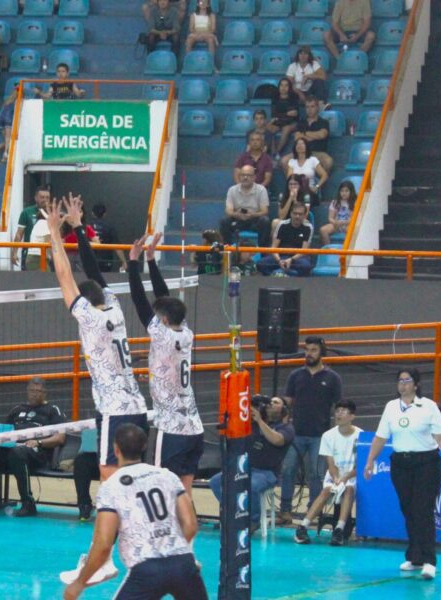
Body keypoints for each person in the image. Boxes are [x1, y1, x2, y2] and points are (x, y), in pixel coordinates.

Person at [47, 194, 149, 483]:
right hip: (137, 407)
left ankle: (112, 526)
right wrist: (78, 228)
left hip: (115, 409)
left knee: (110, 475)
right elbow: (93, 271)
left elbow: (64, 276)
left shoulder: (89, 317)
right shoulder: (114, 306)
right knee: (134, 474)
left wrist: (55, 232)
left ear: (84, 302)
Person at [62, 423, 207, 600]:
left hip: (146, 572)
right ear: (144, 446)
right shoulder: (167, 475)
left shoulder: (111, 486)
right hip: (183, 565)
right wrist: (171, 552)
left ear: (115, 450)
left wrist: (79, 583)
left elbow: (104, 543)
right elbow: (191, 525)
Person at [125, 235, 205, 523]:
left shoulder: (162, 334)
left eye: (159, 317)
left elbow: (139, 300)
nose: (155, 319)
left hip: (172, 429)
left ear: (164, 321)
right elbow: (164, 298)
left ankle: (162, 541)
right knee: (184, 492)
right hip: (194, 428)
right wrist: (151, 260)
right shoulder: (185, 332)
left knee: (161, 487)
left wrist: (133, 262)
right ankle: (186, 547)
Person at [362, 368, 441, 581]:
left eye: (407, 380)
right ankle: (414, 557)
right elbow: (380, 437)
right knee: (408, 510)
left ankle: (429, 561)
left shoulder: (428, 406)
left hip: (426, 463)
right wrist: (370, 461)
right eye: (400, 380)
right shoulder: (391, 407)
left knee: (423, 510)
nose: (403, 384)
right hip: (400, 464)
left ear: (415, 385)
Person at [0, 377, 68, 516]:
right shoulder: (17, 409)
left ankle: (28, 502)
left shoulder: (53, 410)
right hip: (12, 449)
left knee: (18, 452)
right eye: (32, 390)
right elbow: (5, 432)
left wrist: (38, 442)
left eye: (38, 391)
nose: (34, 393)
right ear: (27, 391)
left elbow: (60, 438)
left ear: (45, 393)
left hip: (36, 452)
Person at [277, 336, 343, 524]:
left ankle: (312, 512)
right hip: (295, 433)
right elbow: (288, 402)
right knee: (288, 470)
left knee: (316, 474)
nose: (309, 353)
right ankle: (285, 511)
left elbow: (338, 406)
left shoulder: (333, 378)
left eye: (313, 350)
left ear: (321, 352)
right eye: (307, 349)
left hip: (320, 435)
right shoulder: (295, 376)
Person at [209, 395, 294, 523]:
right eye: (270, 403)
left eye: (276, 403)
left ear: (284, 410)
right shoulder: (252, 424)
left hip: (267, 473)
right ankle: (233, 512)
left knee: (251, 485)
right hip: (245, 468)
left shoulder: (286, 428)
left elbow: (277, 440)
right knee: (216, 481)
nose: (271, 405)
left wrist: (260, 421)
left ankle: (252, 521)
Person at [294, 400, 361, 546]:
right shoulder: (328, 436)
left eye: (344, 411)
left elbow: (359, 465)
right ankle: (303, 527)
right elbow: (330, 464)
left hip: (353, 475)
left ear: (352, 416)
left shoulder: (360, 435)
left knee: (349, 489)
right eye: (337, 411)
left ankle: (339, 530)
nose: (339, 414)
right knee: (326, 490)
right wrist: (337, 478)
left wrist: (345, 478)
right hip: (335, 475)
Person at [219, 165, 271, 247]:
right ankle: (227, 250)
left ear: (254, 177)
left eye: (248, 175)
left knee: (265, 221)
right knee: (224, 221)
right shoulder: (232, 190)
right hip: (238, 220)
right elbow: (228, 210)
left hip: (254, 220)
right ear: (239, 177)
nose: (245, 177)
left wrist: (252, 215)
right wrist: (237, 214)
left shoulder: (261, 190)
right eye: (243, 175)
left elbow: (265, 211)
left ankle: (262, 251)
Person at [257, 202, 314, 277]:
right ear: (291, 213)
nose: (297, 216)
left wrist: (291, 260)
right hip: (281, 255)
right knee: (261, 264)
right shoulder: (282, 225)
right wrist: (279, 260)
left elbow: (304, 250)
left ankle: (294, 279)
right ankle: (273, 277)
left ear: (304, 215)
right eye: (295, 213)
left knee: (306, 266)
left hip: (297, 258)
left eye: (300, 214)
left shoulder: (308, 227)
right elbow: (274, 247)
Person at [12, 184, 51, 270]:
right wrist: (14, 252)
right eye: (42, 197)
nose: (45, 200)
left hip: (49, 255)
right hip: (31, 254)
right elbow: (19, 234)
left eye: (47, 197)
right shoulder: (26, 212)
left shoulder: (53, 214)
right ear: (36, 198)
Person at [86, 203, 127, 273]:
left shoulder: (86, 226)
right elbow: (117, 246)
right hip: (106, 262)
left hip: (89, 260)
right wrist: (124, 262)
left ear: (92, 213)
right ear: (105, 214)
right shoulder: (109, 227)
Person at [269, 78, 300, 158]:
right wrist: (285, 114)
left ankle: (277, 152)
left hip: (292, 122)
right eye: (281, 85)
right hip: (279, 121)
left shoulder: (293, 98)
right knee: (269, 128)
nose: (283, 88)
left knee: (286, 128)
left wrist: (280, 115)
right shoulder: (275, 98)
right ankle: (272, 152)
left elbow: (294, 114)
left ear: (289, 87)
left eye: (286, 85)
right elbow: (274, 114)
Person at [318, 179, 354, 246]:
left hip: (348, 224)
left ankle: (349, 250)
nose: (344, 193)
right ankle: (328, 250)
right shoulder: (335, 202)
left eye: (346, 191)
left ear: (351, 192)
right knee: (323, 230)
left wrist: (344, 222)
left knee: (352, 231)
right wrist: (335, 222)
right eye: (342, 191)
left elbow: (355, 219)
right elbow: (330, 218)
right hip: (336, 224)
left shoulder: (355, 203)